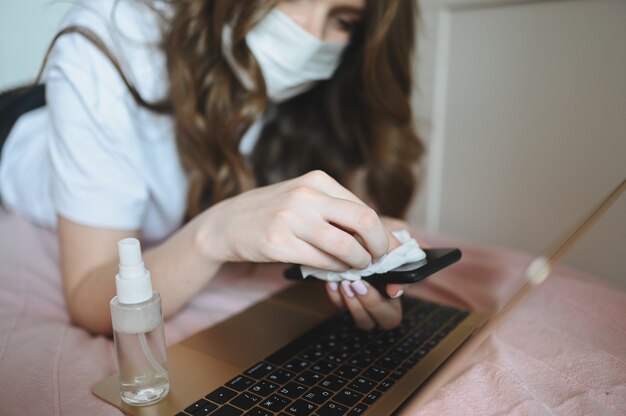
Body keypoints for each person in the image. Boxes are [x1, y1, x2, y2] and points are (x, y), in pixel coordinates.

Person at [0, 0, 423, 335]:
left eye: (344, 20)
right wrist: (214, 233)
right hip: (22, 128)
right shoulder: (108, 37)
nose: (310, 37)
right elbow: (89, 295)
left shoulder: (317, 92)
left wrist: (371, 256)